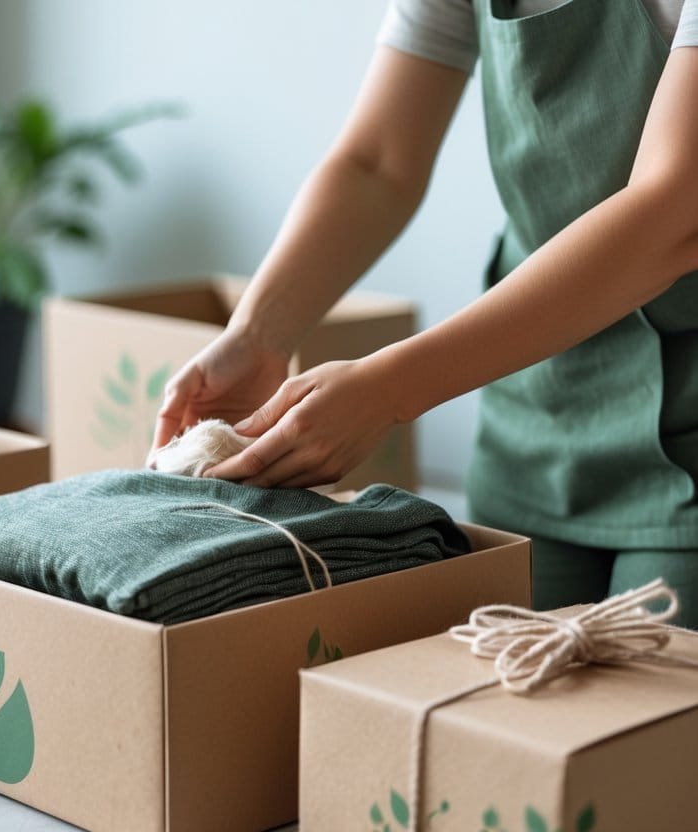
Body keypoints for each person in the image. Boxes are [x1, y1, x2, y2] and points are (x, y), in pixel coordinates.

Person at [152, 0, 698, 626]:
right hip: (536, 424)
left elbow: (674, 209)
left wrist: (390, 391)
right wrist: (257, 334)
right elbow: (378, 164)